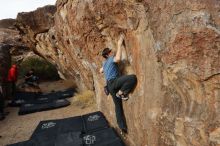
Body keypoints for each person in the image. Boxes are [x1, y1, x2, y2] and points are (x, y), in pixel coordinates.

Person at [99, 34, 137, 135]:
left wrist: (104, 69)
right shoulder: (111, 59)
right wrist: (119, 45)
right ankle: (121, 93)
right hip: (114, 82)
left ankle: (122, 128)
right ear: (107, 55)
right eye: (110, 52)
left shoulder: (104, 63)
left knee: (118, 106)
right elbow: (118, 58)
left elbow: (100, 70)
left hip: (109, 86)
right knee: (132, 78)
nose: (112, 53)